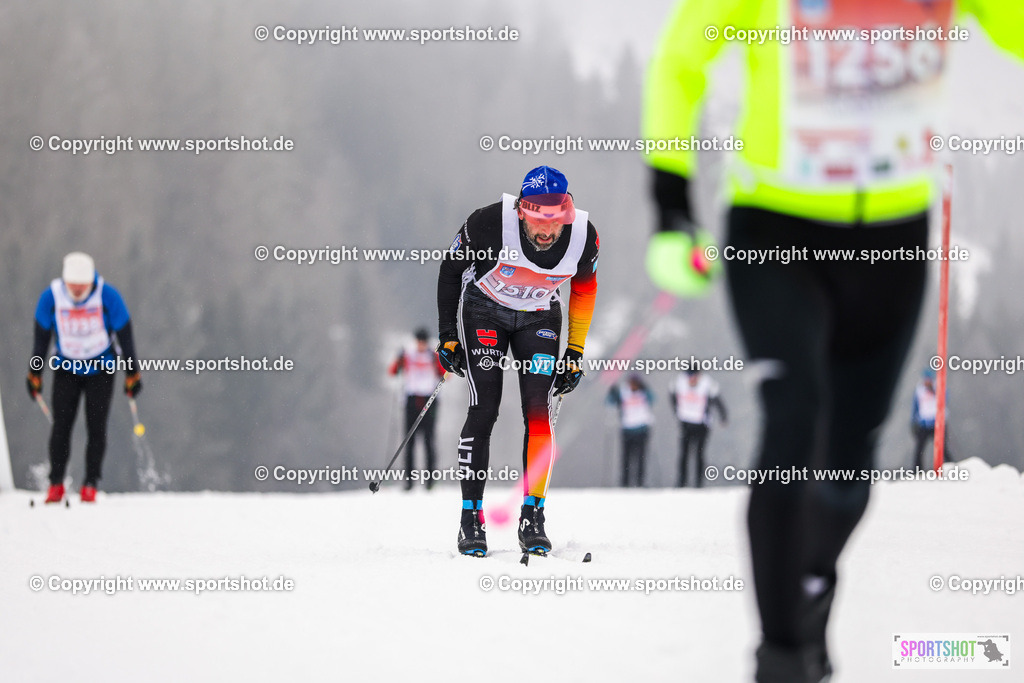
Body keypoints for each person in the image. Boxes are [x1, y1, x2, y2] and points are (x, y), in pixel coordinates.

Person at [643, 2, 1023, 680]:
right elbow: (681, 58)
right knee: (794, 419)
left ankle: (810, 587)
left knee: (849, 465)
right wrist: (671, 203)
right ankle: (782, 657)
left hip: (893, 239)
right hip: (775, 227)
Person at [436, 165, 599, 556]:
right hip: (484, 312)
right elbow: (450, 270)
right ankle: (470, 518)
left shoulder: (583, 237)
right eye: (537, 222)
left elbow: (583, 290)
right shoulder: (489, 223)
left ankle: (533, 516)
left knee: (537, 410)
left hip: (540, 317)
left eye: (555, 223)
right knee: (485, 407)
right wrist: (448, 337)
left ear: (566, 214)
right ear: (522, 212)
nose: (546, 232)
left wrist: (575, 353)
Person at [27, 252, 141, 504]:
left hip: (101, 370)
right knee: (61, 427)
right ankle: (55, 483)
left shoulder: (108, 296)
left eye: (82, 287)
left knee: (96, 427)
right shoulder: (51, 297)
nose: (77, 292)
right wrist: (34, 373)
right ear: (65, 281)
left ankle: (90, 483)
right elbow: (41, 341)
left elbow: (125, 336)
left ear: (91, 282)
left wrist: (132, 373)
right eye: (73, 287)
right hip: (66, 369)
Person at [387, 328, 445, 490]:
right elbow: (393, 372)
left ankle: (430, 481)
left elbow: (445, 374)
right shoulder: (408, 354)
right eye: (419, 342)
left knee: (429, 441)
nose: (421, 345)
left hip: (430, 400)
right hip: (411, 401)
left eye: (423, 342)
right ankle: (409, 481)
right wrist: (398, 360)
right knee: (409, 441)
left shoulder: (433, 356)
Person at [670, 369, 727, 488]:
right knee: (684, 454)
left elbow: (718, 401)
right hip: (686, 423)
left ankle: (699, 483)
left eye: (694, 376)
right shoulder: (679, 382)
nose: (692, 379)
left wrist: (723, 416)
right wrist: (676, 411)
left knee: (699, 454)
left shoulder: (707, 383)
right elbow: (672, 396)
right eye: (689, 376)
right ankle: (682, 481)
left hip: (702, 424)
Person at [606, 374, 655, 487]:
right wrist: (612, 392)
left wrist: (646, 389)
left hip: (642, 429)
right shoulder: (623, 392)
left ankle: (640, 482)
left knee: (641, 457)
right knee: (626, 458)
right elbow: (610, 402)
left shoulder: (644, 392)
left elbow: (652, 399)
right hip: (627, 429)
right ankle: (625, 483)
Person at [911, 367, 953, 470]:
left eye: (928, 379)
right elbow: (915, 407)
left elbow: (945, 400)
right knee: (919, 450)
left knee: (942, 448)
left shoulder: (939, 388)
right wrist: (913, 422)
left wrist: (934, 391)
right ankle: (917, 471)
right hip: (923, 424)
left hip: (937, 424)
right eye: (925, 379)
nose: (927, 381)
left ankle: (952, 466)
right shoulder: (919, 390)